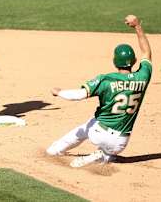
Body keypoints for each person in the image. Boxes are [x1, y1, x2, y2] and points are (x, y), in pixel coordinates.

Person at [46, 15, 152, 167]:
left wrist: (59, 92)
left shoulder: (106, 80)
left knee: (83, 130)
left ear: (115, 62)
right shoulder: (143, 76)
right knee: (111, 152)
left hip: (99, 133)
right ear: (134, 61)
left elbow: (79, 95)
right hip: (122, 142)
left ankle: (53, 151)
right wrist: (137, 26)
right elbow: (147, 53)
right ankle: (104, 155)